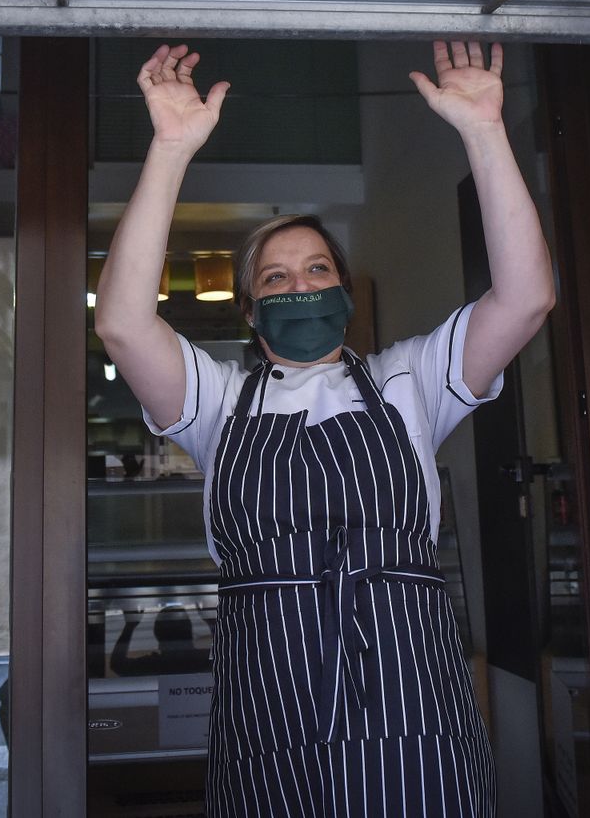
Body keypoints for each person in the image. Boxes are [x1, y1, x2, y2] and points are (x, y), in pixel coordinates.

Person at [95, 41, 555, 817]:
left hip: (413, 706)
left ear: (344, 289)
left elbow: (525, 300)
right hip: (267, 707)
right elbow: (122, 325)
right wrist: (171, 150)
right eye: (274, 278)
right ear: (249, 310)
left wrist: (484, 132)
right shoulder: (218, 400)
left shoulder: (410, 381)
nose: (298, 286)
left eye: (316, 270)